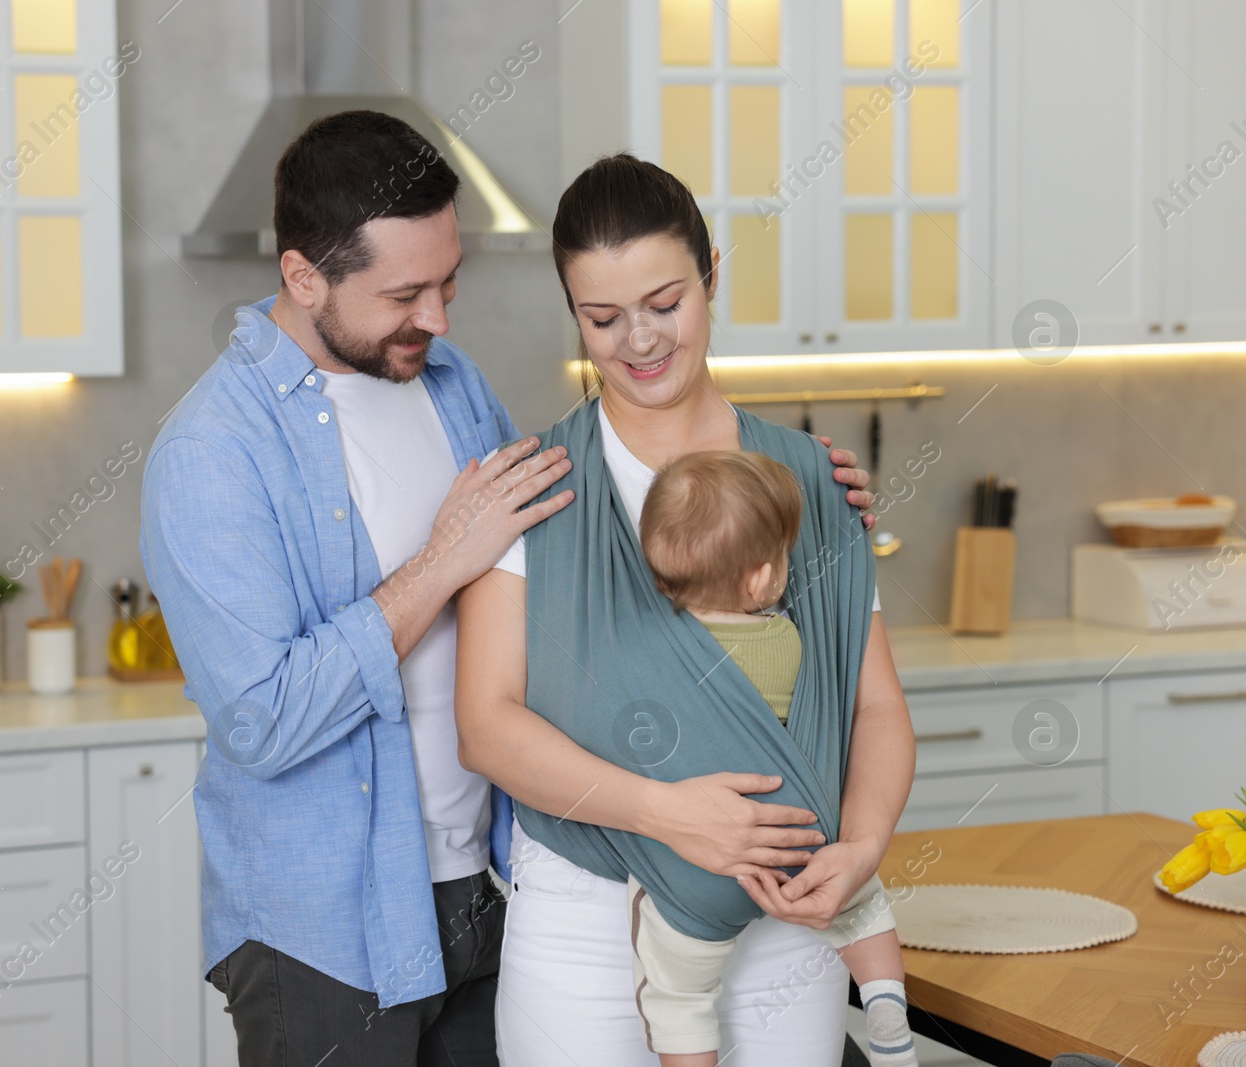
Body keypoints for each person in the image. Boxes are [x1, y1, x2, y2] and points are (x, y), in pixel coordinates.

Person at [142, 110, 876, 1065]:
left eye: (450, 283)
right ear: (303, 277)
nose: (439, 319)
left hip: (482, 883)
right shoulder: (212, 451)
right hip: (323, 931)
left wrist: (779, 493)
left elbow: (574, 567)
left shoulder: (445, 383)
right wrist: (442, 560)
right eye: (408, 292)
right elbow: (263, 720)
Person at [456, 153, 915, 1067]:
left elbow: (876, 708)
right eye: (602, 316)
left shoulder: (810, 486)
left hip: (789, 910)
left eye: (665, 302)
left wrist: (860, 850)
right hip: (586, 921)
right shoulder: (532, 491)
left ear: (711, 274)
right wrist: (667, 813)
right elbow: (487, 726)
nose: (639, 340)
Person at [627, 449, 914, 1067]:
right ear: (759, 582)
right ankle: (885, 1000)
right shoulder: (788, 639)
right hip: (801, 837)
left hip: (699, 870)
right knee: (862, 901)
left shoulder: (651, 653)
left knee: (678, 994)